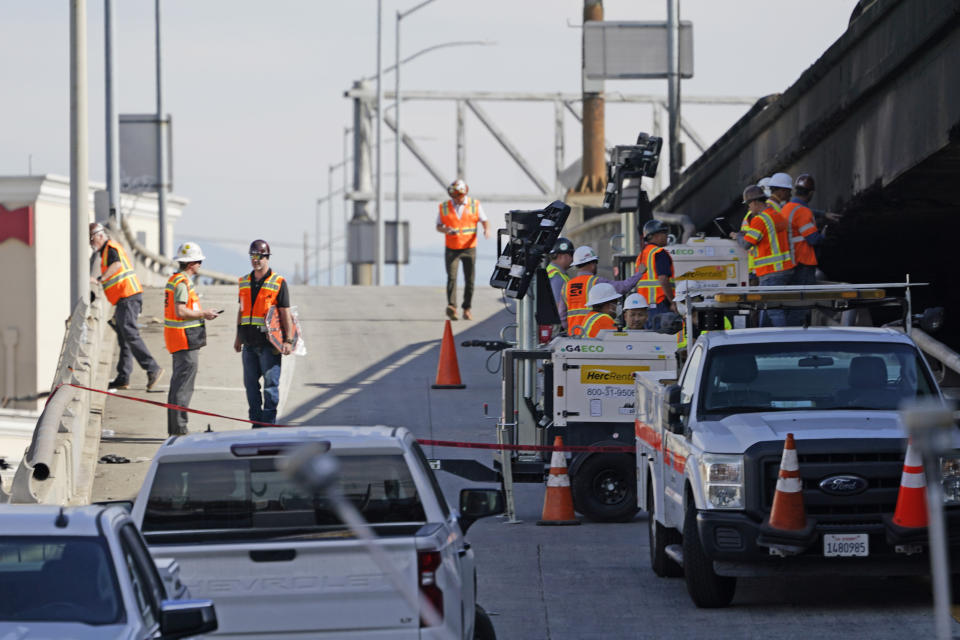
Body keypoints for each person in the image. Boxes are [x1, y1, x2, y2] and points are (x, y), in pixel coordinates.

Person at [89, 222, 164, 391]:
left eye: (92, 239)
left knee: (129, 333)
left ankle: (152, 368)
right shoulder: (106, 250)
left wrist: (100, 279)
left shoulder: (110, 248)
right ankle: (123, 377)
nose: (92, 244)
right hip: (125, 298)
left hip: (128, 296)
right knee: (124, 336)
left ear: (100, 236)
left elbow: (117, 266)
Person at [234, 239, 294, 426]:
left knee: (270, 388)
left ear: (267, 257)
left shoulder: (278, 283)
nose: (256, 260)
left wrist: (289, 340)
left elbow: (285, 313)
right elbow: (241, 311)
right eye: (253, 256)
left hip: (269, 346)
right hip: (249, 344)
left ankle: (269, 424)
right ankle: (255, 423)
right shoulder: (244, 282)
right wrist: (238, 338)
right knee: (251, 387)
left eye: (260, 256)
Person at [164, 242, 219, 436]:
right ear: (191, 264)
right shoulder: (182, 283)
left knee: (179, 384)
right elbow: (180, 311)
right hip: (184, 340)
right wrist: (204, 314)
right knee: (184, 387)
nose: (200, 265)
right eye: (198, 262)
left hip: (179, 339)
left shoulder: (176, 280)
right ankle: (179, 429)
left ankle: (175, 428)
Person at [730, 184, 794, 326]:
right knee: (767, 308)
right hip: (784, 269)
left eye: (749, 205)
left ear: (753, 202)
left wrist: (737, 236)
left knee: (773, 310)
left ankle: (784, 340)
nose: (749, 208)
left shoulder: (760, 220)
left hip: (770, 271)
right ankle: (764, 334)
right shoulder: (777, 215)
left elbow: (747, 244)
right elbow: (767, 237)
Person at [436, 179, 490, 321]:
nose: (455, 198)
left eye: (458, 195)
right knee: (452, 277)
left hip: (469, 248)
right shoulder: (444, 207)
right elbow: (438, 225)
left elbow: (484, 220)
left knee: (469, 279)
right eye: (453, 196)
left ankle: (467, 308)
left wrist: (486, 229)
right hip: (452, 248)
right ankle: (452, 306)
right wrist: (446, 229)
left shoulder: (474, 205)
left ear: (464, 193)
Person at [559, 245, 644, 336]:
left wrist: (570, 329)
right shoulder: (596, 282)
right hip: (594, 334)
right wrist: (639, 274)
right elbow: (623, 287)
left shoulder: (566, 286)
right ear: (592, 264)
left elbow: (562, 314)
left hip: (574, 335)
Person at [635, 220, 675, 330]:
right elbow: (663, 279)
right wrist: (673, 302)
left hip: (644, 308)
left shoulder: (642, 255)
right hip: (660, 304)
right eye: (664, 233)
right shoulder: (659, 253)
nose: (667, 236)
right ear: (655, 235)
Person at [546, 237, 574, 328]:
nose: (572, 259)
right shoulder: (557, 277)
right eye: (571, 255)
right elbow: (559, 305)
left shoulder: (551, 271)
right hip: (557, 326)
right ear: (563, 256)